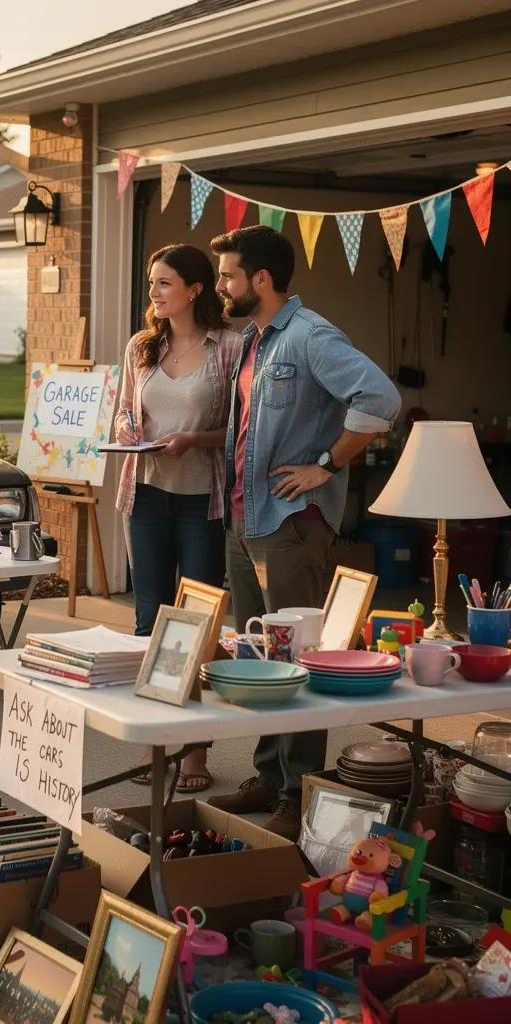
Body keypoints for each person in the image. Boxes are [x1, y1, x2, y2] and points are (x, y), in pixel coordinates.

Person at [206, 225, 400, 839]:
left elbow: (380, 398)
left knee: (297, 660)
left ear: (261, 279)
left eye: (228, 275)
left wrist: (326, 465)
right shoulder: (251, 339)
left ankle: (299, 791)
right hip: (245, 519)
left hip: (290, 523)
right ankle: (269, 775)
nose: (220, 286)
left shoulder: (311, 335)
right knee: (261, 658)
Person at [114, 244, 242, 792]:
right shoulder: (141, 346)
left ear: (195, 289)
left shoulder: (230, 348)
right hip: (144, 496)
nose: (154, 292)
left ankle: (194, 754)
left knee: (195, 626)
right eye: (152, 283)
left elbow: (239, 429)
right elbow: (125, 409)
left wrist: (193, 439)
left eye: (164, 282)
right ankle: (157, 748)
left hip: (200, 502)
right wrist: (126, 428)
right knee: (149, 623)